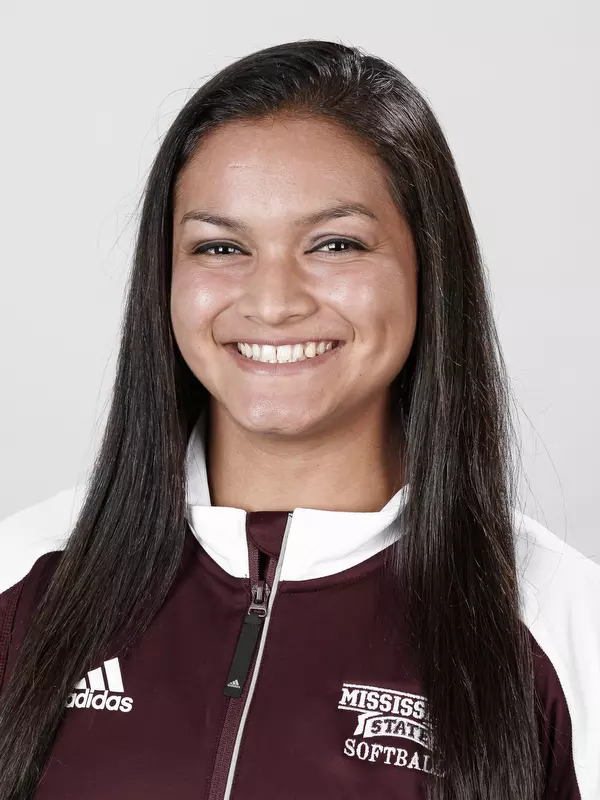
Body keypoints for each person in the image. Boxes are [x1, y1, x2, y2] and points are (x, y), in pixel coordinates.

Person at [0, 39, 598, 800]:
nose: (273, 300)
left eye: (336, 243)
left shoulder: (562, 623)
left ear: (428, 267)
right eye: (220, 246)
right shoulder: (22, 580)